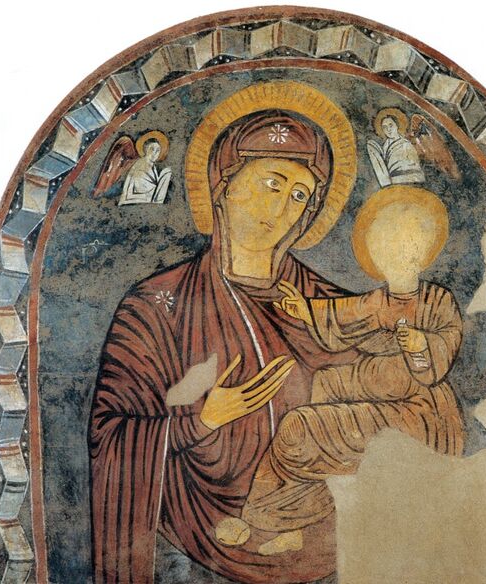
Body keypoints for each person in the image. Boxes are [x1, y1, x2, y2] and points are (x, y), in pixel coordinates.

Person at [88, 82, 359, 584]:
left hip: (332, 548)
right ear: (224, 185)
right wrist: (201, 420)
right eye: (272, 183)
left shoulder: (333, 309)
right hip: (193, 550)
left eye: (300, 195)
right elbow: (111, 435)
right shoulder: (156, 307)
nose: (283, 207)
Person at [217, 185, 465, 555]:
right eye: (384, 243)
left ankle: (267, 517)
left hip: (418, 411)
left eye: (405, 242)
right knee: (323, 386)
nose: (393, 252)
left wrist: (420, 345)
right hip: (372, 388)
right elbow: (341, 315)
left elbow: (446, 343)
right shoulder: (377, 300)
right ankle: (290, 523)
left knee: (299, 427)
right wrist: (306, 309)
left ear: (424, 249)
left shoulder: (437, 299)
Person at [367, 108, 425, 187]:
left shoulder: (406, 145)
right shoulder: (385, 147)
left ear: (397, 125)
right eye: (384, 127)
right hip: (391, 185)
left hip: (407, 183)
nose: (388, 129)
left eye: (391, 125)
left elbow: (415, 171)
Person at [118, 138, 172, 205]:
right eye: (152, 149)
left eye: (158, 150)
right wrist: (150, 196)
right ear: (145, 149)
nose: (155, 153)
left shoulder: (153, 167)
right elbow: (128, 194)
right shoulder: (139, 165)